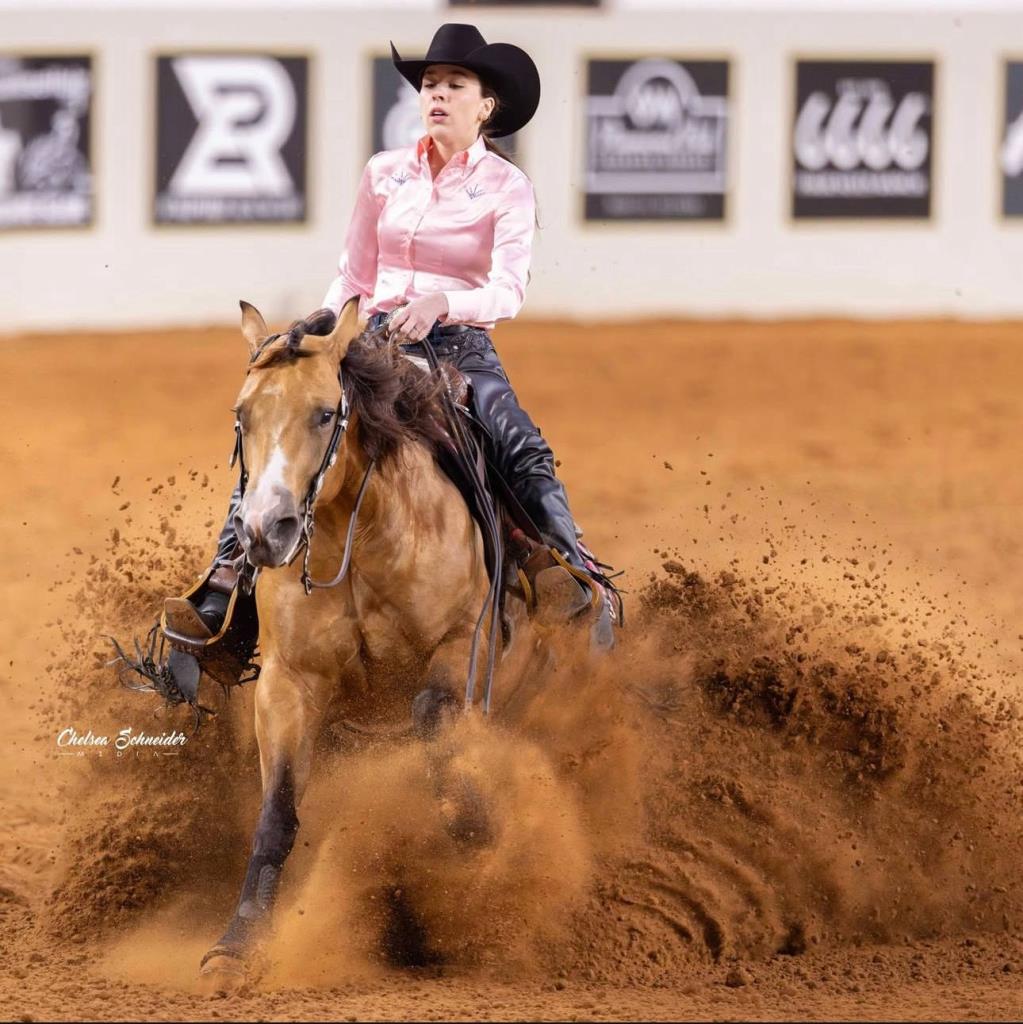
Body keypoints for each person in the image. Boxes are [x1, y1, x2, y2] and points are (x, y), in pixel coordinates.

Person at [165, 23, 613, 648]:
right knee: (285, 420)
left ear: (487, 106)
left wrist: (442, 302)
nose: (437, 94)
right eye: (430, 83)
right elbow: (353, 273)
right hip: (369, 340)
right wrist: (319, 334)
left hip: (458, 346)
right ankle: (225, 584)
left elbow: (508, 290)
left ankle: (567, 570)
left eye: (455, 84)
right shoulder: (384, 173)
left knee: (514, 439)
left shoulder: (507, 188)